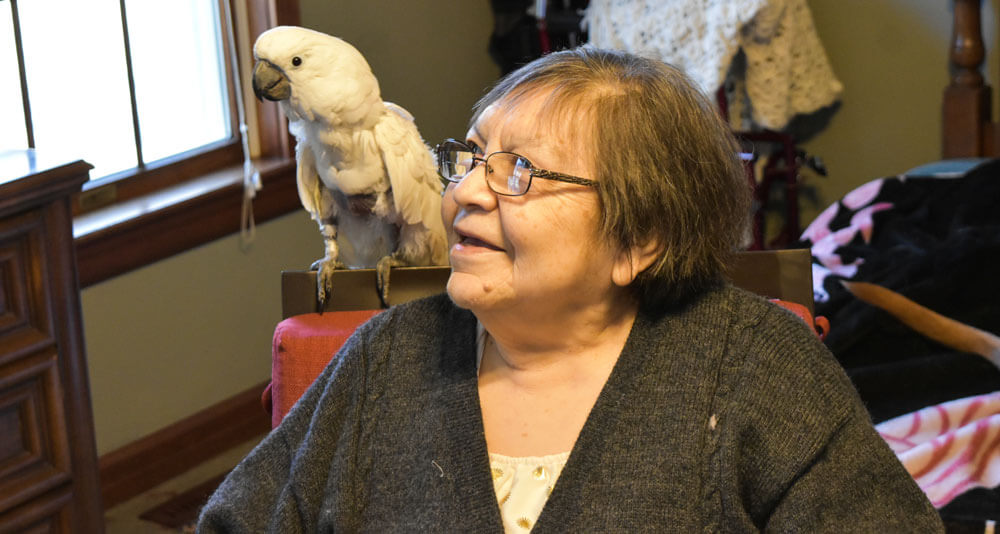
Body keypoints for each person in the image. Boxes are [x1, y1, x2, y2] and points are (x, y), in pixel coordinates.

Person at [198, 47, 942, 532]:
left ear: (637, 240)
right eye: (471, 158)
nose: (463, 196)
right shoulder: (387, 359)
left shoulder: (750, 368)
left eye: (520, 172)